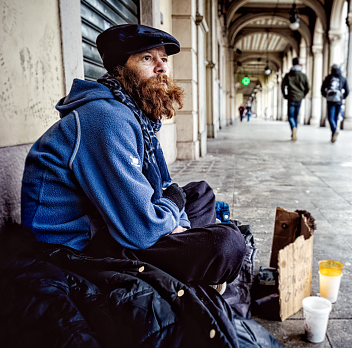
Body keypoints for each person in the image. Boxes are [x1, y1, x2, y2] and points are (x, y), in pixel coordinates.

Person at [21, 24, 246, 292]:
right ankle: (192, 268)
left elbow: (161, 189)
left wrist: (177, 225)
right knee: (228, 243)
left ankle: (187, 259)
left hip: (113, 224)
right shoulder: (107, 118)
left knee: (201, 193)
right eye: (147, 58)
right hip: (73, 252)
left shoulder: (136, 116)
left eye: (163, 59)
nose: (162, 68)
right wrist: (173, 217)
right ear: (121, 69)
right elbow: (141, 229)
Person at [281, 57, 310, 141]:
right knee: (296, 116)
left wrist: (285, 95)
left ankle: (293, 128)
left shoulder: (288, 75)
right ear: (299, 63)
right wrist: (303, 95)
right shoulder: (303, 75)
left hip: (291, 97)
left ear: (292, 63)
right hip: (299, 98)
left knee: (290, 116)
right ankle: (294, 131)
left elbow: (283, 86)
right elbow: (308, 87)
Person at [321, 64, 349, 143]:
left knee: (330, 118)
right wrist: (342, 97)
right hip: (338, 101)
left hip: (330, 101)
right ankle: (334, 133)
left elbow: (322, 88)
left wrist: (326, 96)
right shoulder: (342, 78)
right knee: (336, 118)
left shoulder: (328, 78)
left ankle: (334, 131)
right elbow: (347, 91)